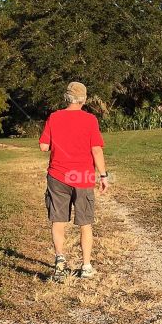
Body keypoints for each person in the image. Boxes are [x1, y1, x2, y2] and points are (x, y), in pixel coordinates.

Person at [39, 81, 108, 282]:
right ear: (84, 99)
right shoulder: (90, 120)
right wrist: (103, 176)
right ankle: (86, 266)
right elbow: (96, 150)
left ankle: (60, 263)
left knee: (58, 221)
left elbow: (44, 146)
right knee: (85, 223)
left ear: (66, 97)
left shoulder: (54, 117)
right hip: (83, 177)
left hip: (57, 176)